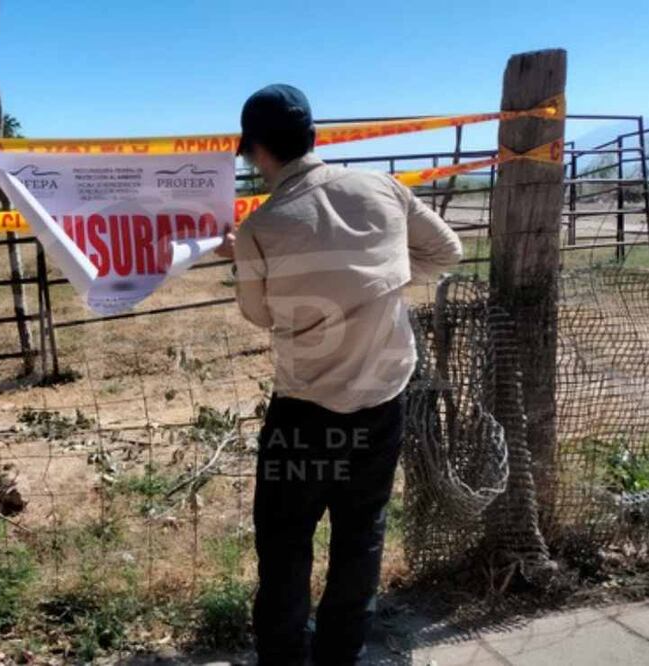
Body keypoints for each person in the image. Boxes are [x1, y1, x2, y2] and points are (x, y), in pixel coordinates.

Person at [216, 84, 463, 665]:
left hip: (304, 414)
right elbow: (446, 251)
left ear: (256, 150)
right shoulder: (382, 188)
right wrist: (380, 282)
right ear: (313, 137)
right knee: (361, 537)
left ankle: (284, 657)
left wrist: (247, 261)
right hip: (382, 403)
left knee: (284, 544)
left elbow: (260, 315)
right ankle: (341, 656)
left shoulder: (261, 227)